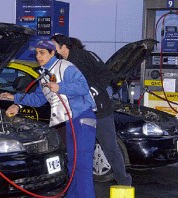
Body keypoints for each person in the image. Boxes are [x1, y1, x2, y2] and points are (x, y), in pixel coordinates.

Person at [0, 40, 97, 198]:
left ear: (53, 53)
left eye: (42, 52)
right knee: (72, 164)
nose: (38, 56)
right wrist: (15, 99)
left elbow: (83, 87)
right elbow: (38, 99)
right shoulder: (44, 74)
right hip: (70, 121)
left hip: (83, 119)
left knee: (82, 164)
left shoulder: (65, 67)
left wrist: (60, 87)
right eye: (36, 53)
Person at [51, 35, 132, 186]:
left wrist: (93, 91)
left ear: (63, 46)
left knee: (110, 148)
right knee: (77, 151)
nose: (51, 46)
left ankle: (124, 182)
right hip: (79, 114)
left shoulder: (84, 56)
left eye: (53, 44)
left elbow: (106, 74)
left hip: (100, 112)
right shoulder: (61, 64)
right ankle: (76, 185)